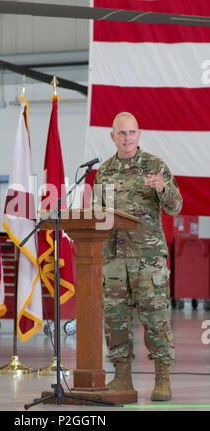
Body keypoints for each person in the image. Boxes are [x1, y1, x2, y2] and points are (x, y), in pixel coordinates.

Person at [92, 112, 183, 401]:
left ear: (139, 134)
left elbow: (175, 206)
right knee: (116, 319)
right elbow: (97, 214)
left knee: (155, 318)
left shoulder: (155, 166)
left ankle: (162, 377)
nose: (127, 138)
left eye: (131, 133)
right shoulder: (103, 171)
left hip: (148, 260)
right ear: (112, 136)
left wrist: (162, 188)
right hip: (115, 258)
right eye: (121, 133)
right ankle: (121, 377)